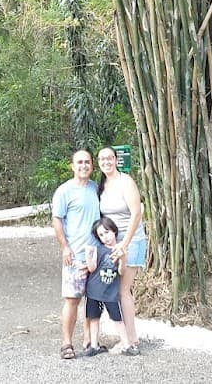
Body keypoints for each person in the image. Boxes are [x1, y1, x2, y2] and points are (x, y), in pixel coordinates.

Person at [96, 145, 145, 356]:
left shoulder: (126, 182)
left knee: (123, 291)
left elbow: (136, 214)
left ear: (116, 160)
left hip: (131, 240)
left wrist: (124, 244)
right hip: (113, 243)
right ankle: (128, 337)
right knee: (118, 291)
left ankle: (131, 340)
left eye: (109, 158)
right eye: (102, 159)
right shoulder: (103, 185)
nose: (106, 162)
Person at [52, 149, 100, 360]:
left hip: (96, 255)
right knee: (72, 300)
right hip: (75, 255)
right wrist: (64, 247)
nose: (83, 166)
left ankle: (89, 340)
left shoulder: (96, 188)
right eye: (79, 162)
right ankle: (66, 343)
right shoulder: (64, 191)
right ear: (72, 166)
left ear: (92, 165)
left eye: (87, 162)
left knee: (93, 299)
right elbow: (57, 220)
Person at [82, 216, 129, 356]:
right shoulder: (98, 249)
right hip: (94, 290)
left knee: (117, 318)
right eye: (101, 235)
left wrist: (123, 259)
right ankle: (94, 346)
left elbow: (121, 271)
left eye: (107, 232)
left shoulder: (119, 250)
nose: (105, 237)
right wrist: (88, 255)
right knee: (94, 317)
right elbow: (92, 268)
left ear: (114, 231)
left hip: (110, 292)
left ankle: (127, 345)